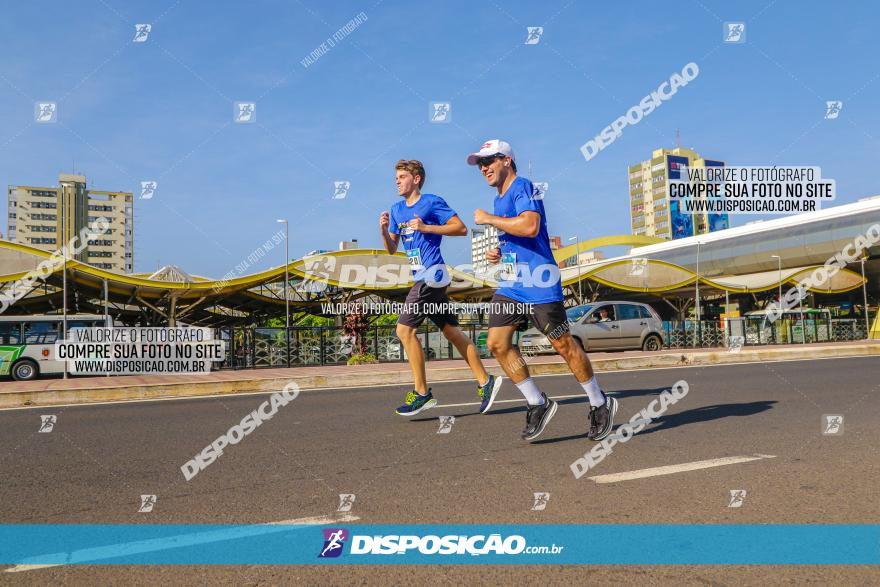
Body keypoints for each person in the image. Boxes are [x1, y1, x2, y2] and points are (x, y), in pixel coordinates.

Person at [466, 139, 616, 441]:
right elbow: (517, 233)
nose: (483, 168)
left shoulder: (525, 186)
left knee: (563, 345)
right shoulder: (500, 197)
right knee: (496, 343)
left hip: (539, 282)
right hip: (512, 284)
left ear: (507, 160)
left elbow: (531, 227)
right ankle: (537, 401)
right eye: (480, 164)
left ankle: (600, 402)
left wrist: (489, 220)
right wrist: (499, 249)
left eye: (489, 161)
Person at [380, 159, 503, 416]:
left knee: (404, 330)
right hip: (422, 278)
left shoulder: (432, 202)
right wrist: (383, 230)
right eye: (396, 178)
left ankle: (422, 393)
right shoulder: (396, 209)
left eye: (402, 177)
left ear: (417, 179)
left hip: (432, 274)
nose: (397, 181)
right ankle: (486, 381)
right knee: (453, 333)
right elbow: (392, 249)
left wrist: (426, 227)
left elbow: (460, 228)